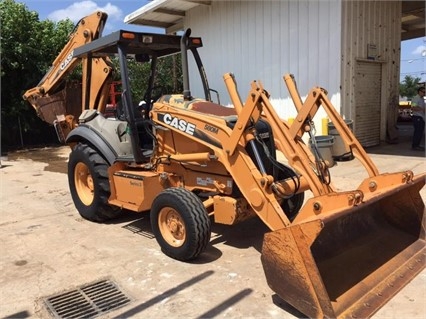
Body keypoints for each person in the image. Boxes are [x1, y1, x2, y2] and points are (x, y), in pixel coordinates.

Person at [411, 86, 425, 151]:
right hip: (417, 117)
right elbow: (413, 107)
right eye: (423, 92)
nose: (424, 93)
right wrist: (422, 109)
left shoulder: (422, 99)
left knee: (420, 132)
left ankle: (417, 145)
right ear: (419, 92)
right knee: (418, 132)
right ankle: (415, 146)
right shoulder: (415, 98)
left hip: (421, 117)